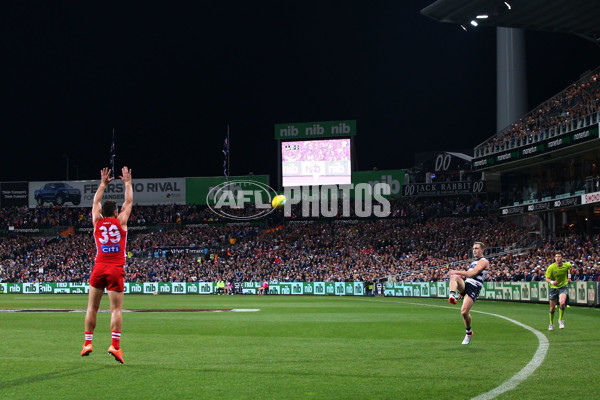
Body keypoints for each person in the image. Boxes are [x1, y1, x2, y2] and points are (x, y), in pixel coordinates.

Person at [81, 166, 133, 364]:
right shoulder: (121, 222)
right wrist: (127, 182)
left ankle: (87, 342)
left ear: (104, 211)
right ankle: (115, 346)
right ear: (116, 211)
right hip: (115, 268)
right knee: (116, 310)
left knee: (92, 308)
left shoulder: (97, 222)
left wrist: (103, 184)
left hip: (99, 266)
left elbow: (95, 202)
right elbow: (129, 202)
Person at [447, 241, 489, 345]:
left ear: (482, 250)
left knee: (464, 312)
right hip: (467, 284)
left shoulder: (484, 261)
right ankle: (452, 295)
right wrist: (461, 290)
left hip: (474, 287)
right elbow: (468, 276)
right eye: (473, 248)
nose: (474, 250)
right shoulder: (473, 262)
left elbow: (472, 273)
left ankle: (469, 332)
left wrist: (456, 271)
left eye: (476, 248)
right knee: (454, 277)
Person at [545, 252, 572, 330]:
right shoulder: (551, 267)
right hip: (553, 288)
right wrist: (552, 282)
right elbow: (547, 278)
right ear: (554, 258)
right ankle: (551, 323)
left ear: (562, 258)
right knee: (552, 308)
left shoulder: (567, 265)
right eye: (556, 256)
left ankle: (560, 320)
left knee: (562, 303)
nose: (557, 258)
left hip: (563, 286)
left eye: (559, 256)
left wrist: (569, 277)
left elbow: (569, 269)